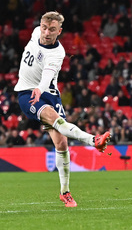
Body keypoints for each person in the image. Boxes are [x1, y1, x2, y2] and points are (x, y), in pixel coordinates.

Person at [14, 11, 111, 207]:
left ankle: (65, 192)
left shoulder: (57, 53)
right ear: (39, 26)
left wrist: (41, 90)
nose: (46, 32)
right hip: (26, 93)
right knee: (53, 118)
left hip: (47, 91)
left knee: (61, 144)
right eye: (44, 27)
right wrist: (37, 90)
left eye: (51, 29)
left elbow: (47, 77)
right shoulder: (34, 33)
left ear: (59, 31)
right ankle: (93, 140)